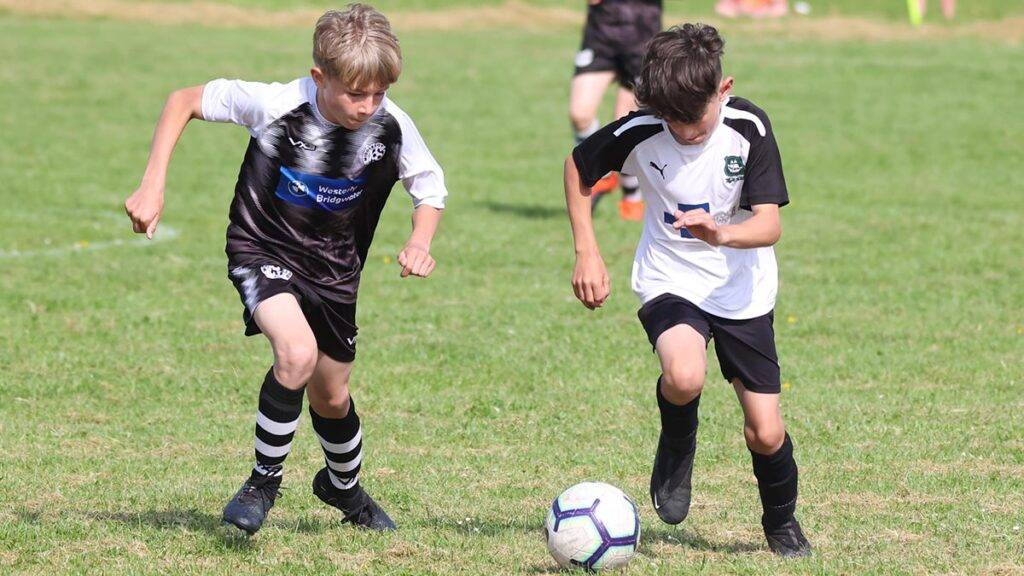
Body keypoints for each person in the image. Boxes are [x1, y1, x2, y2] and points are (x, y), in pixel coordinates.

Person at [123, 4, 447, 535]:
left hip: (336, 272)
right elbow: (183, 100)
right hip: (263, 250)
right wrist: (153, 182)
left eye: (378, 95)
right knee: (294, 354)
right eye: (355, 94)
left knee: (332, 394)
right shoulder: (274, 103)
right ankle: (262, 482)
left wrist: (419, 239)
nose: (368, 106)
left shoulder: (392, 124)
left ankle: (343, 489)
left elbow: (429, 186)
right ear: (319, 77)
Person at [563, 23, 812, 557]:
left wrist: (719, 232)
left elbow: (769, 225)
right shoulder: (644, 127)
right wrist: (588, 250)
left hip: (742, 289)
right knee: (683, 373)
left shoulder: (748, 127)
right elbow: (578, 168)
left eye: (694, 120)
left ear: (723, 90)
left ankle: (781, 524)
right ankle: (678, 443)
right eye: (672, 121)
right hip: (670, 277)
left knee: (765, 433)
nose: (685, 132)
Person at [570, 0, 663, 221]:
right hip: (601, 36)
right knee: (580, 114)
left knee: (626, 122)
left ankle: (632, 197)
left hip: (641, 35)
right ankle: (603, 173)